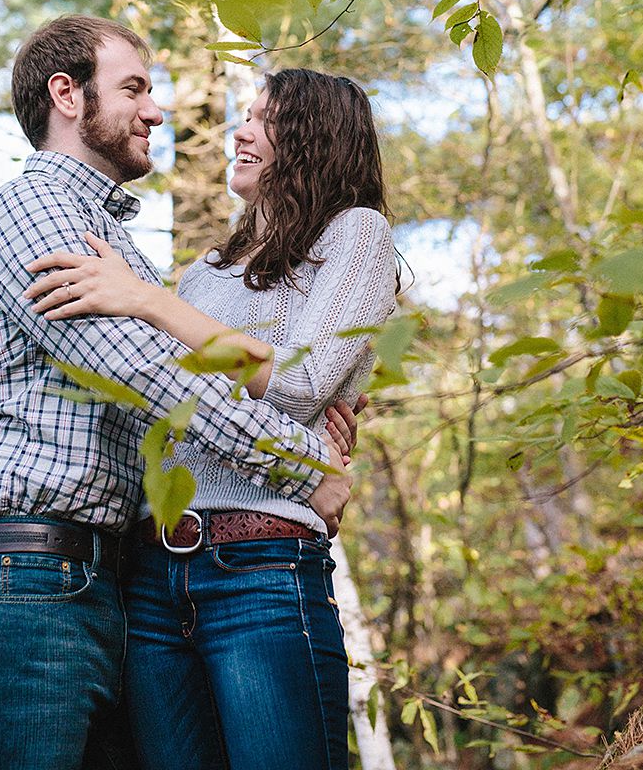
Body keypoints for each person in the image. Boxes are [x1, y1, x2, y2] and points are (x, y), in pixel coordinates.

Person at [0, 17, 353, 770]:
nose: (155, 111)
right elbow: (144, 373)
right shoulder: (35, 211)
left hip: (95, 588)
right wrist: (309, 464)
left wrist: (310, 403)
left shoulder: (123, 254)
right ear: (67, 96)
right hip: (19, 585)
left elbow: (187, 393)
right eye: (135, 89)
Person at [25, 67, 398, 770]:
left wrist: (146, 300)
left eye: (263, 120)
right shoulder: (203, 274)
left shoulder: (356, 234)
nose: (241, 130)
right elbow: (166, 405)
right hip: (153, 579)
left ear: (315, 139)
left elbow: (303, 381)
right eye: (245, 115)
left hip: (260, 567)